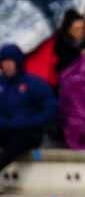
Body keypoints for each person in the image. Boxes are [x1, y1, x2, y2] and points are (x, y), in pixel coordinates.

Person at [0, 44, 57, 172]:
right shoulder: (1, 84)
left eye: (10, 61)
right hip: (6, 128)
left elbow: (50, 108)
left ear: (18, 62)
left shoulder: (34, 83)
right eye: (4, 62)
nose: (7, 65)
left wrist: (31, 121)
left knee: (17, 142)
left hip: (28, 131)